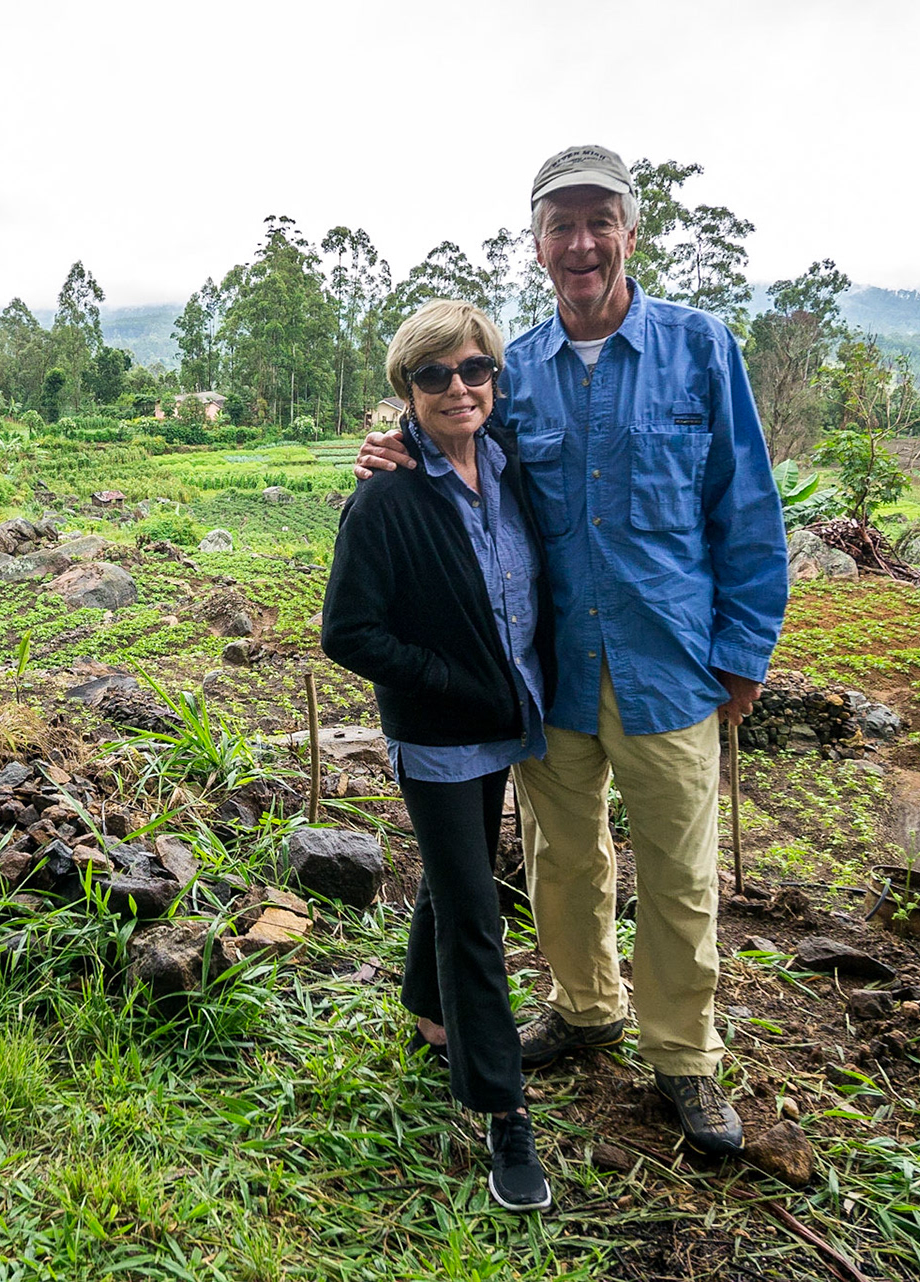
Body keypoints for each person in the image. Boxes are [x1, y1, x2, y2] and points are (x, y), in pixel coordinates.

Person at [354, 145, 788, 1156]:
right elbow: (451, 445)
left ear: (631, 233)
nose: (581, 243)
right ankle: (585, 1006)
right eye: (561, 225)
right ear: (539, 243)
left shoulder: (700, 350)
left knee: (678, 877)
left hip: (672, 666)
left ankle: (684, 1056)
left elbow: (748, 511)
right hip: (550, 676)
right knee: (562, 861)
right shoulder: (519, 374)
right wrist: (387, 455)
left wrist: (744, 651)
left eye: (600, 221)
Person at [322, 299, 557, 1213]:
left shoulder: (511, 470)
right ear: (406, 392)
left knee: (457, 876)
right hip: (437, 733)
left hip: (511, 718)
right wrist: (449, 679)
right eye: (434, 375)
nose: (458, 387)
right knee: (476, 910)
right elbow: (348, 632)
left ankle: (428, 1008)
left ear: (495, 377)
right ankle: (503, 1110)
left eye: (474, 370)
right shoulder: (385, 497)